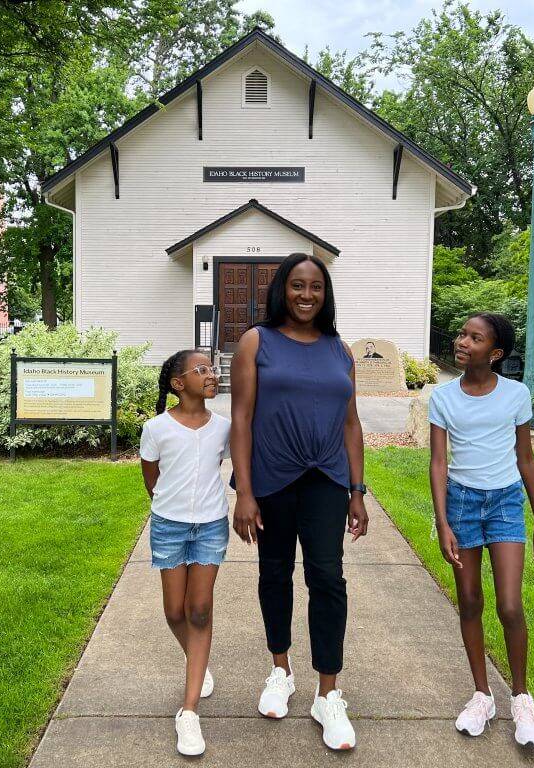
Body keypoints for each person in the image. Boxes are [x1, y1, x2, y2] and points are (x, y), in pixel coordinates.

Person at [229, 252, 368, 752]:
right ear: (281, 290)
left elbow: (351, 423)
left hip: (327, 478)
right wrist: (243, 490)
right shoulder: (256, 341)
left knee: (327, 576)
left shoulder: (340, 350)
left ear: (325, 294)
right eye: (297, 286)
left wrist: (358, 489)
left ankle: (328, 693)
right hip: (271, 478)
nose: (306, 295)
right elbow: (241, 418)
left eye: (316, 287)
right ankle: (280, 669)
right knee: (274, 572)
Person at [428, 312, 534, 747]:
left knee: (510, 606)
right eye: (462, 334)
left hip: (504, 504)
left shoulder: (516, 394)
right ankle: (482, 695)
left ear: (494, 354)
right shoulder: (442, 398)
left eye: (474, 338)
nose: (462, 341)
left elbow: (526, 458)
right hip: (461, 504)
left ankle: (520, 697)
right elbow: (439, 463)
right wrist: (442, 523)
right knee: (469, 602)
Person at [140, 350, 231, 756]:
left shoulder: (224, 428)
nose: (211, 374)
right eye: (202, 370)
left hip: (211, 527)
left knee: (199, 610)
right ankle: (199, 660)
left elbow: (236, 469)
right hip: (169, 527)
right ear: (178, 384)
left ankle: (189, 711)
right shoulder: (156, 428)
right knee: (174, 611)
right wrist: (170, 508)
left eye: (212, 369)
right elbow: (151, 477)